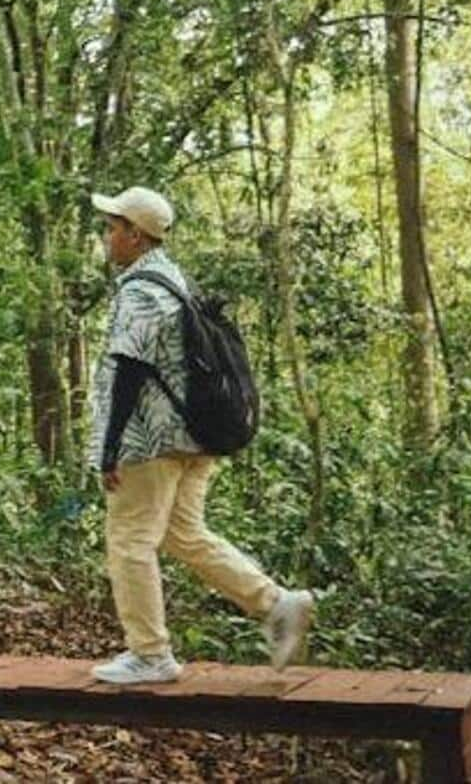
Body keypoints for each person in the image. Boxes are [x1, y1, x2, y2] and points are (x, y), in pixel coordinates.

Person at [87, 186, 314, 684]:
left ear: (135, 234)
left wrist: (109, 448)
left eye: (113, 227)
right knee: (183, 534)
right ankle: (276, 603)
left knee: (130, 539)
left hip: (149, 440)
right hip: (193, 438)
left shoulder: (141, 290)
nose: (107, 237)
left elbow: (128, 368)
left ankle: (150, 653)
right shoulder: (175, 281)